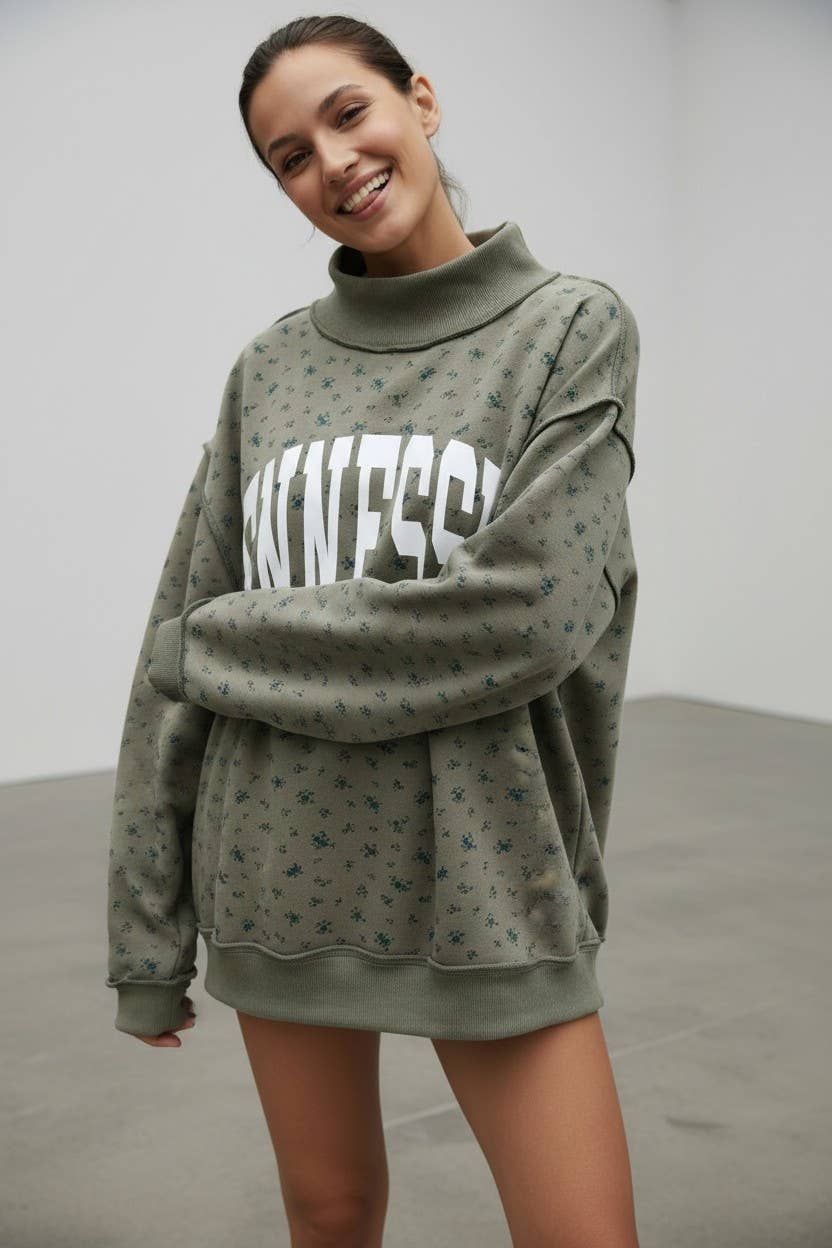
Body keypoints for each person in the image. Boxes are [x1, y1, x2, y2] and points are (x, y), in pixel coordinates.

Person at [105, 14, 642, 1247]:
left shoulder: (568, 328)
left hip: (488, 879)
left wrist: (226, 642)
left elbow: (523, 616)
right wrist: (144, 937)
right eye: (290, 156)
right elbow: (166, 653)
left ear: (422, 101)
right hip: (274, 874)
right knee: (330, 1215)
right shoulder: (267, 369)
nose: (332, 163)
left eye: (348, 114)